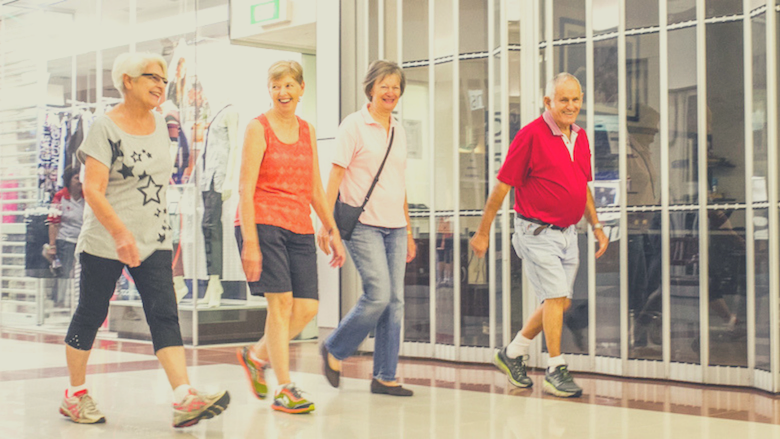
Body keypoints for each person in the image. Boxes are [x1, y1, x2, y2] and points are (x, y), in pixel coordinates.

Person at [60, 52, 230, 428]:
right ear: (127, 81)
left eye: (163, 79)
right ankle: (74, 394)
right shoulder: (103, 128)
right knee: (91, 314)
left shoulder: (162, 125)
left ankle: (183, 396)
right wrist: (121, 233)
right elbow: (93, 189)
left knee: (165, 314)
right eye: (151, 76)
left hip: (154, 240)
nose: (159, 84)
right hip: (105, 240)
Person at [470, 72, 609, 398]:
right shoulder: (530, 135)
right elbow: (503, 185)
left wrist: (597, 225)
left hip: (568, 234)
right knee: (556, 297)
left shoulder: (581, 137)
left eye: (576, 99)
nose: (571, 105)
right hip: (536, 231)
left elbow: (582, 186)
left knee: (558, 301)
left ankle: (513, 353)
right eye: (564, 100)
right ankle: (555, 367)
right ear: (548, 102)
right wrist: (483, 231)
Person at [235, 60, 345, 414]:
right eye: (275, 85)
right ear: (269, 90)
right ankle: (285, 387)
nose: (282, 92)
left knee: (307, 308)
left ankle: (256, 355)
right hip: (263, 221)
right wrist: (250, 242)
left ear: (301, 89)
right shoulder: (258, 128)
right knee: (280, 305)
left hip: (298, 224)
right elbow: (245, 187)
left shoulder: (307, 130)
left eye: (288, 85)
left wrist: (332, 229)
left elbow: (313, 186)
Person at [320, 60, 417, 397]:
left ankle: (385, 376)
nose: (390, 92)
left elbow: (399, 182)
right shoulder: (354, 125)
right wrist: (326, 224)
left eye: (396, 86)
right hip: (363, 224)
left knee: (395, 302)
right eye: (384, 85)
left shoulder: (398, 130)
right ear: (371, 88)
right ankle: (334, 347)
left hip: (396, 226)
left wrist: (408, 227)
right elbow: (334, 176)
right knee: (378, 295)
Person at [46, 164, 84, 308]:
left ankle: (78, 302)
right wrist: (52, 245)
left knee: (82, 274)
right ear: (69, 180)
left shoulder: (86, 196)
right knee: (64, 272)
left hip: (81, 241)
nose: (79, 181)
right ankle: (59, 301)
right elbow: (53, 223)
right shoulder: (60, 197)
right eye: (76, 178)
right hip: (65, 240)